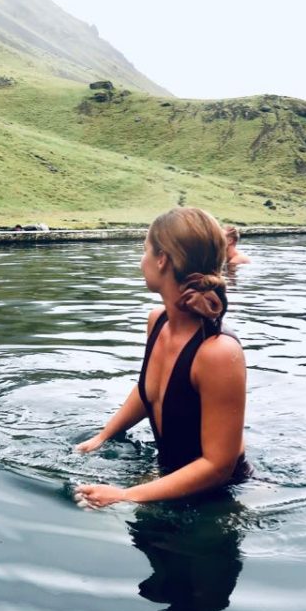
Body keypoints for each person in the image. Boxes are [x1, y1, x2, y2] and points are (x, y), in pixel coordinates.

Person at [74, 207, 248, 508]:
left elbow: (218, 467)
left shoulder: (217, 352)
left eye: (145, 250)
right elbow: (151, 391)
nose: (141, 261)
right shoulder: (158, 321)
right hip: (170, 479)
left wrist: (125, 495)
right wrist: (103, 436)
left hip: (221, 499)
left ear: (162, 259)